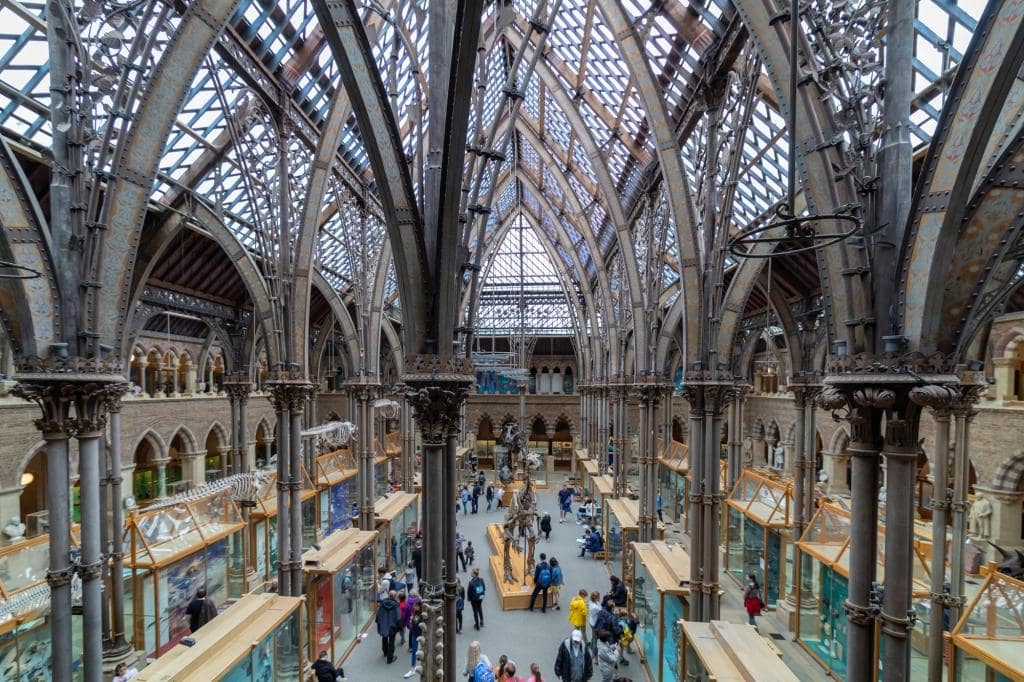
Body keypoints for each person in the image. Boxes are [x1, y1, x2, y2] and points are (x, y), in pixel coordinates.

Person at [376, 589, 402, 663]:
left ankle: (385, 652)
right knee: (391, 641)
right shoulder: (396, 605)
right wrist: (400, 627)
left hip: (384, 625)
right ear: (395, 597)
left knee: (384, 638)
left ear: (389, 595)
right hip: (392, 626)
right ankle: (390, 658)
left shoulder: (383, 603)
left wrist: (379, 623)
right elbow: (398, 617)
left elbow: (379, 614)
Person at [404, 602, 423, 678]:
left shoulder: (422, 614)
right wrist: (411, 621)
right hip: (414, 634)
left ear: (419, 606)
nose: (414, 607)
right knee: (414, 651)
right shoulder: (415, 613)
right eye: (414, 606)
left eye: (416, 606)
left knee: (422, 650)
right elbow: (413, 622)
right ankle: (412, 669)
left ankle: (421, 666)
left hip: (421, 634)